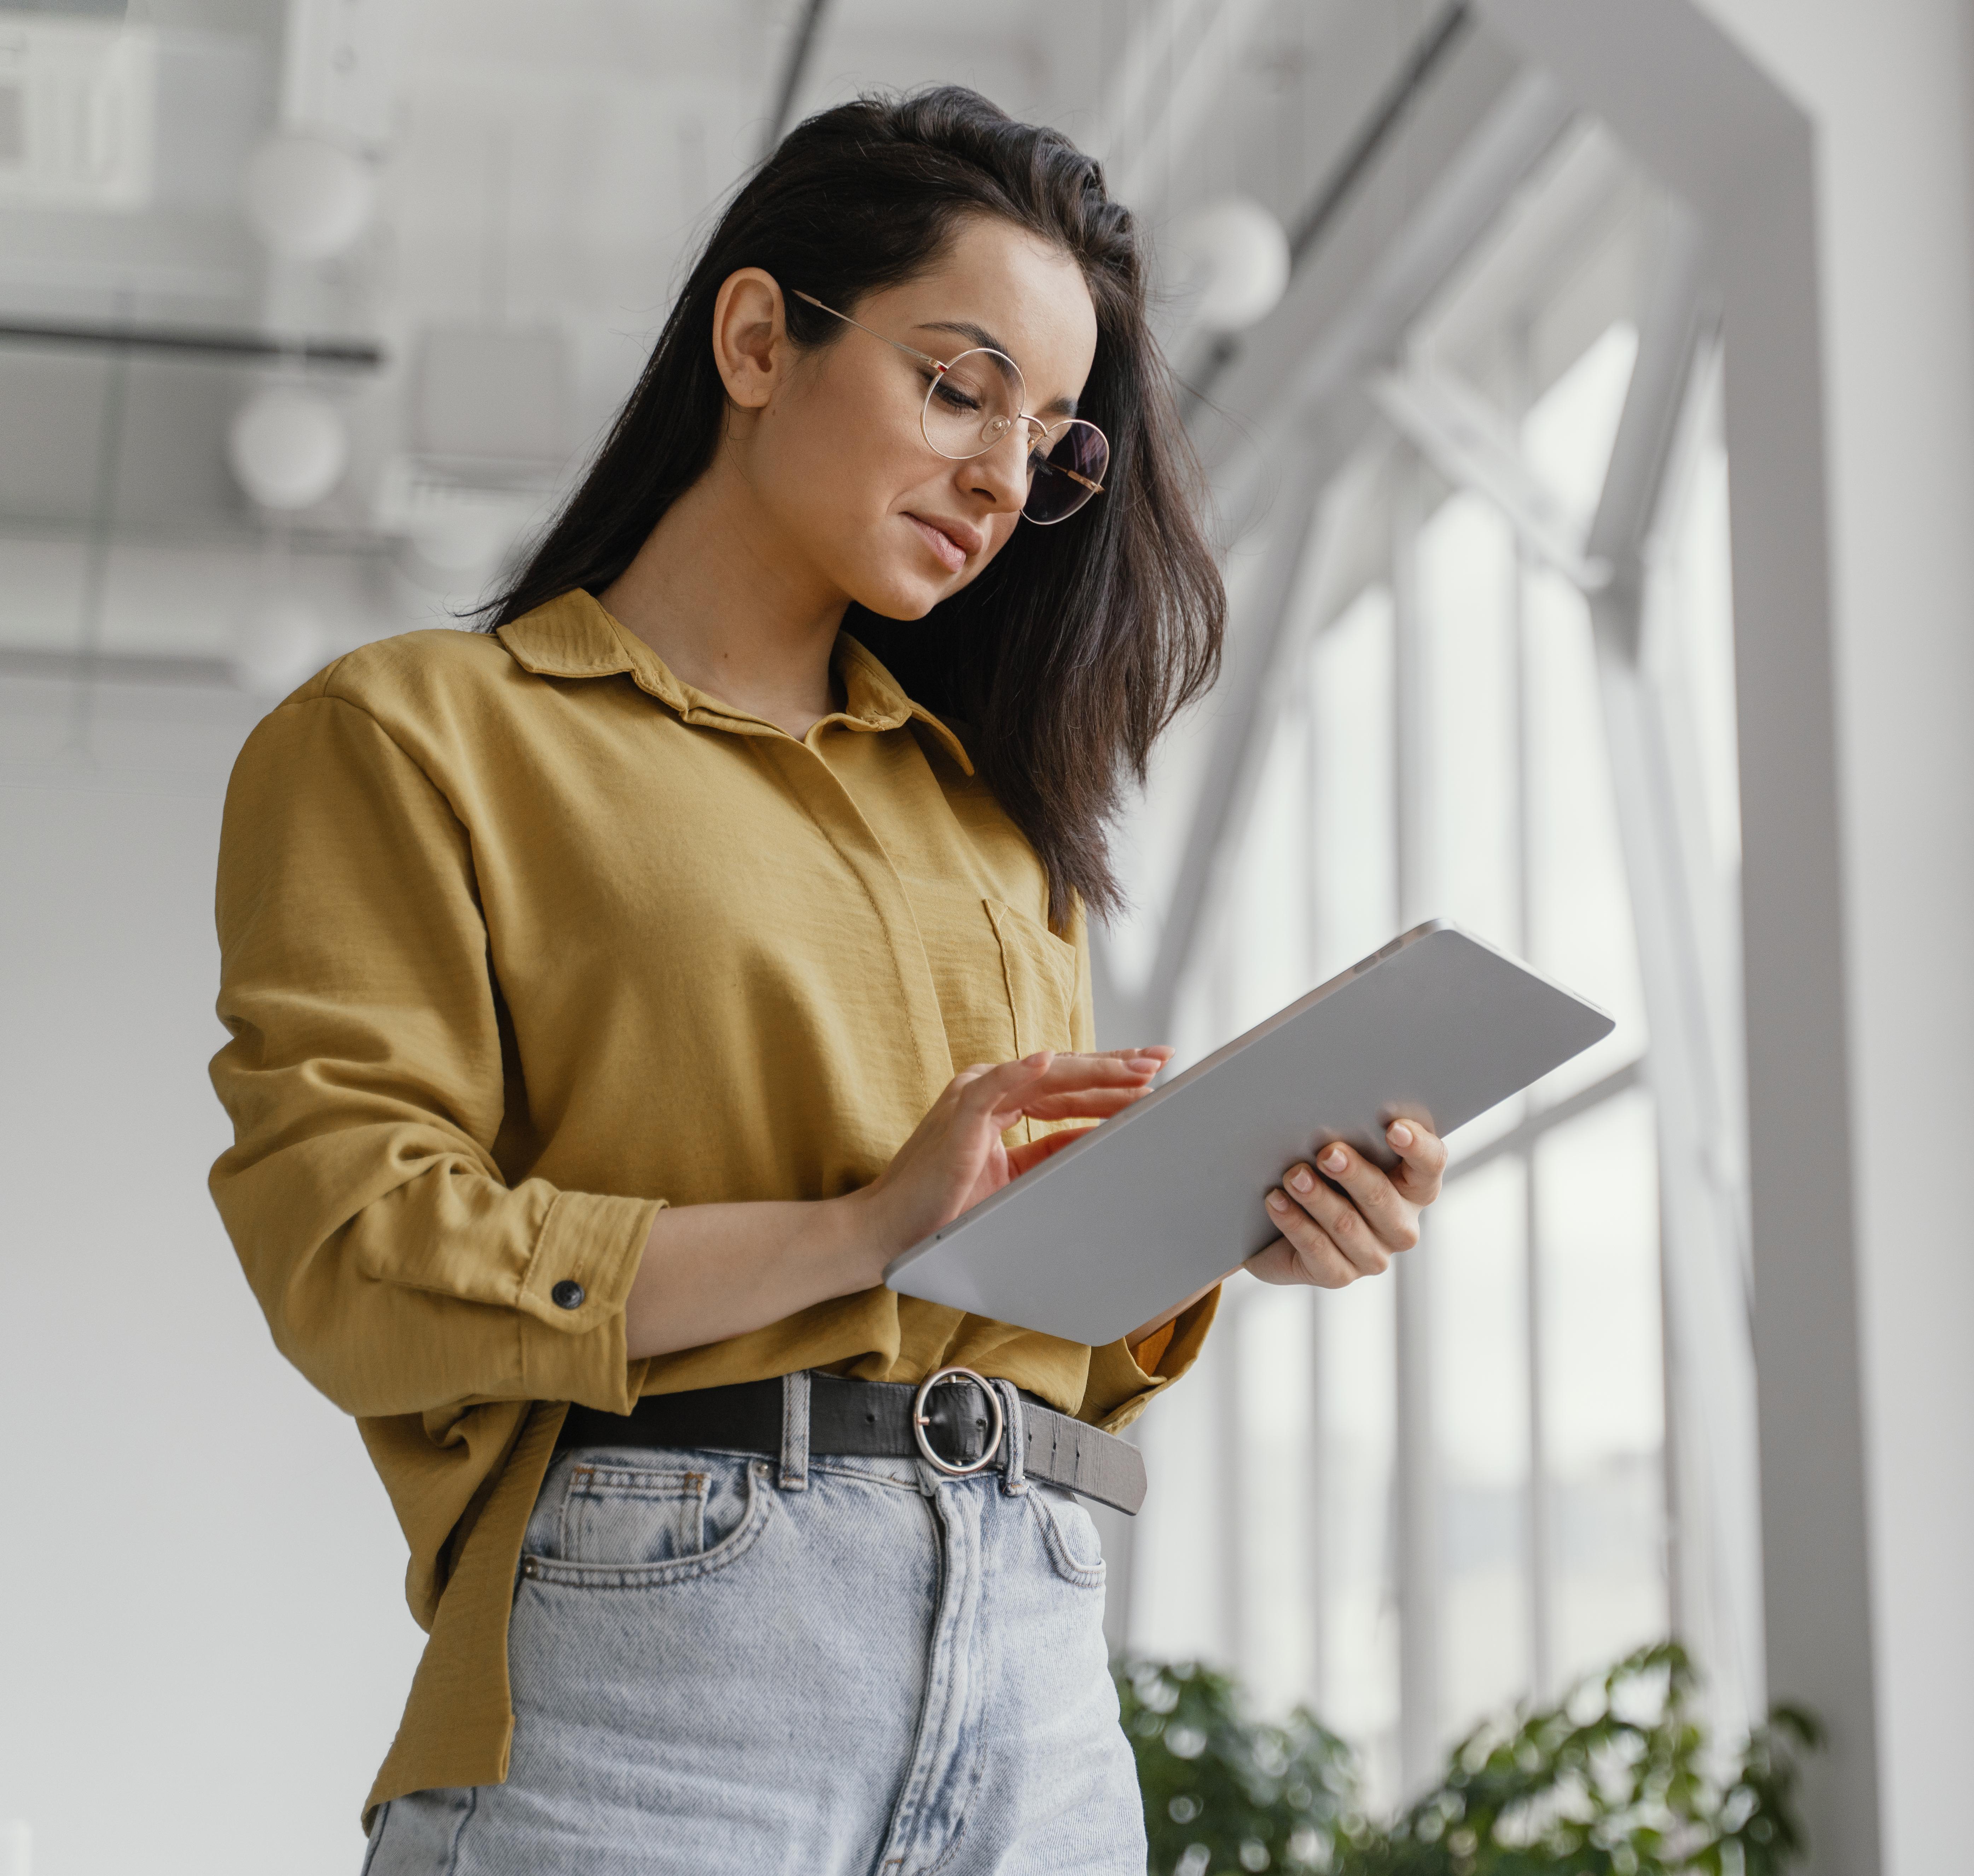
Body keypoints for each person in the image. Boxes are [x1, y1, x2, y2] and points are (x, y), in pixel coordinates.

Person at [207, 87, 1444, 1875]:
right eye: (958, 389)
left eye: (1051, 442)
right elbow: (350, 1255)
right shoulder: (415, 737)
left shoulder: (994, 824)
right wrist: (856, 1231)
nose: (1006, 478)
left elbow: (1022, 1313)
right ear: (759, 336)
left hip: (1039, 1673)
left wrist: (1226, 1222)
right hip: (659, 1681)